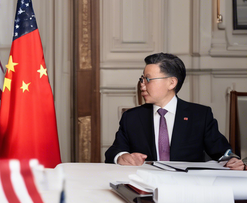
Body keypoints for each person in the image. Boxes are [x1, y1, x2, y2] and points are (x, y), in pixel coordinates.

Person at [105, 53, 245, 170]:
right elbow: (114, 152)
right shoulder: (132, 117)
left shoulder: (200, 115)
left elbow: (222, 152)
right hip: (146, 185)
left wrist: (231, 160)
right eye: (142, 79)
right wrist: (122, 157)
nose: (142, 85)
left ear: (172, 83)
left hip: (187, 186)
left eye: (148, 79)